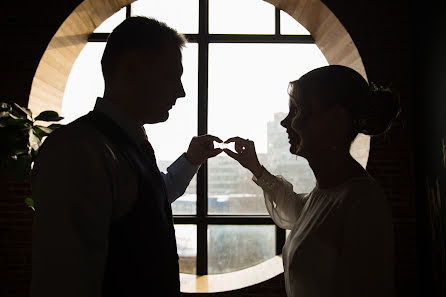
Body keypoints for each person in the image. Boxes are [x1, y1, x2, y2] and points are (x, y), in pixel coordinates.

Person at [30, 17, 222, 297]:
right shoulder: (77, 150)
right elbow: (64, 279)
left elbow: (150, 197)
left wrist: (191, 160)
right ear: (131, 69)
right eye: (171, 76)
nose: (181, 92)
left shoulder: (119, 144)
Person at [224, 65, 400, 297]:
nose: (286, 123)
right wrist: (256, 168)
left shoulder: (362, 202)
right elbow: (297, 209)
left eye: (297, 110)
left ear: (335, 120)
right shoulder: (327, 193)